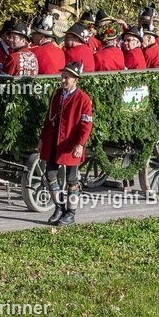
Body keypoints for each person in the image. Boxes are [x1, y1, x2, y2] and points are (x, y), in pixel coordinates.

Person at [38, 62, 93, 227]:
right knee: (50, 175)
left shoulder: (83, 99)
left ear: (76, 79)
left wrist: (80, 144)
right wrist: (42, 138)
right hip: (54, 141)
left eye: (66, 78)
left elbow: (86, 124)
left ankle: (71, 212)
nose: (63, 80)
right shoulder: (56, 95)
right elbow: (48, 119)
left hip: (71, 144)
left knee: (71, 179)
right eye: (62, 77)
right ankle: (59, 207)